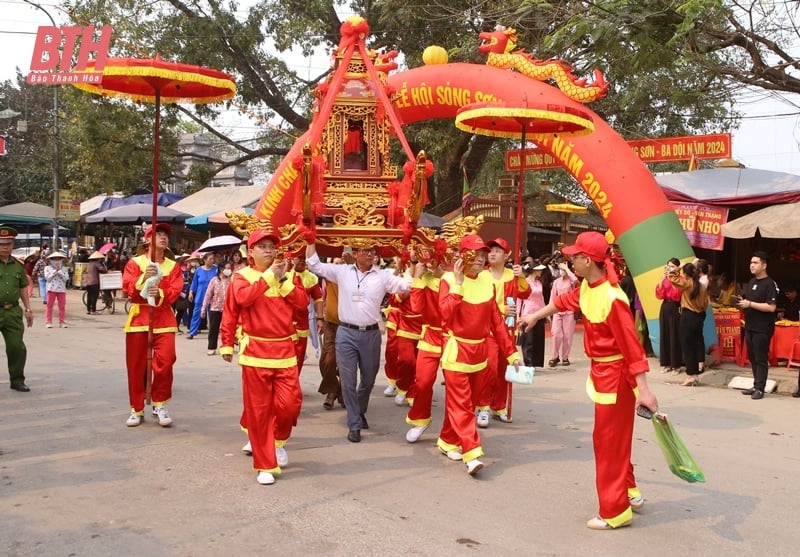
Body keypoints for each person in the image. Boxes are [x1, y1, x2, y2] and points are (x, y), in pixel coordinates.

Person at [517, 231, 658, 530]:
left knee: (608, 443)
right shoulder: (588, 287)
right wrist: (535, 317)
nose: (570, 260)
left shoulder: (613, 297)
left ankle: (614, 511)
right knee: (612, 440)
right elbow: (563, 302)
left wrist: (644, 390)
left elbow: (633, 349)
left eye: (575, 256)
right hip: (602, 374)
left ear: (588, 260)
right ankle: (629, 491)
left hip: (616, 377)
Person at [220, 229, 309, 485]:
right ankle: (265, 464)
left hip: (284, 352)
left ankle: (278, 441)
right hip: (256, 353)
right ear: (251, 253)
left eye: (272, 246)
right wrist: (227, 344)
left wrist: (282, 281)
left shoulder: (287, 276)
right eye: (263, 246)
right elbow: (241, 301)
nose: (269, 250)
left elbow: (302, 303)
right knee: (259, 412)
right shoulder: (242, 277)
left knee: (290, 405)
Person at [306, 240, 412, 443]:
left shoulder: (383, 276)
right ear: (355, 254)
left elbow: (405, 285)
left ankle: (360, 410)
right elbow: (314, 265)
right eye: (365, 251)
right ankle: (354, 423)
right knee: (348, 380)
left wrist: (418, 265)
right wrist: (310, 239)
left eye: (373, 251)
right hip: (346, 333)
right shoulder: (342, 272)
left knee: (369, 379)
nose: (370, 254)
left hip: (370, 335)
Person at [437, 234, 521, 475]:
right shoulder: (449, 279)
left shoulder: (487, 282)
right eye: (476, 254)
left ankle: (447, 440)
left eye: (483, 255)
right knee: (462, 404)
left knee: (467, 403)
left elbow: (497, 322)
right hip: (457, 352)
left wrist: (512, 354)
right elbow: (444, 314)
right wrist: (459, 284)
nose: (481, 258)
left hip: (480, 353)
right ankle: (471, 452)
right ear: (463, 255)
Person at [122, 223, 184, 427]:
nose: (163, 237)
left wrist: (162, 292)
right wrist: (144, 278)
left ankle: (160, 403)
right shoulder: (135, 263)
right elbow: (128, 289)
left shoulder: (173, 266)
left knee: (166, 361)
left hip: (164, 318)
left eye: (165, 234)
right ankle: (136, 408)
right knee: (136, 365)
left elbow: (176, 289)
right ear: (147, 239)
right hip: (140, 318)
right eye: (158, 233)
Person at [478, 237, 530, 426]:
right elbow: (481, 301)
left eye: (497, 251)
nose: (492, 253)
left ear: (507, 255)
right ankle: (482, 407)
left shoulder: (512, 275)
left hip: (507, 330)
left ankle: (498, 407)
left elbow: (525, 293)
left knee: (504, 370)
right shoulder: (482, 275)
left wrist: (522, 275)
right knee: (489, 368)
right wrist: (501, 308)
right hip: (488, 330)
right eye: (490, 250)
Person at [736, 251, 778, 400]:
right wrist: (743, 302)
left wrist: (750, 304)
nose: (752, 265)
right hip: (750, 325)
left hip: (763, 327)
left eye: (755, 263)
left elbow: (771, 307)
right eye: (751, 263)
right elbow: (749, 302)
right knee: (753, 358)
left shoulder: (770, 284)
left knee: (761, 358)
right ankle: (755, 384)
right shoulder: (752, 282)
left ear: (764, 265)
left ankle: (760, 388)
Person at [0, 226, 35, 392]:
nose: (5, 247)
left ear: (13, 244)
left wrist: (28, 309)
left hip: (12, 311)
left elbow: (23, 287)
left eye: (8, 243)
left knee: (16, 347)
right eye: (1, 244)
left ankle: (17, 379)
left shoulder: (18, 265)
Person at [667, 262, 709, 386]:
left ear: (685, 274)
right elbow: (705, 303)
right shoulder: (701, 286)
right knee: (694, 345)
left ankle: (691, 375)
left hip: (688, 316)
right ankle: (694, 374)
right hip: (699, 316)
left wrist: (678, 267)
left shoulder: (687, 283)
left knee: (687, 347)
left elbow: (672, 277)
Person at [548, 260, 578, 367]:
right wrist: (549, 312)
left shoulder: (571, 280)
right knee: (556, 334)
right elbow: (552, 297)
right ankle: (555, 356)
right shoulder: (556, 282)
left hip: (569, 311)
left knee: (567, 336)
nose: (561, 271)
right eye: (560, 269)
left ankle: (565, 357)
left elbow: (576, 279)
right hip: (557, 311)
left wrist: (567, 269)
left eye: (563, 269)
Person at [655, 258, 683, 373]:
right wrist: (661, 281)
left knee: (675, 336)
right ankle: (666, 364)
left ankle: (676, 365)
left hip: (675, 307)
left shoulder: (680, 279)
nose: (669, 268)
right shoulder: (665, 279)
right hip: (665, 307)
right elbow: (659, 294)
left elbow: (677, 295)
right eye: (668, 266)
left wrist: (672, 280)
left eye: (672, 266)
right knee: (665, 335)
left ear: (677, 268)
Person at [517, 263, 547, 368]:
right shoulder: (524, 282)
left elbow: (541, 298)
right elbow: (519, 299)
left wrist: (546, 313)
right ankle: (528, 363)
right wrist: (517, 315)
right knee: (528, 341)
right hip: (527, 313)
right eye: (539, 270)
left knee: (538, 339)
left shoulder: (539, 283)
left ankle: (536, 363)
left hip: (538, 313)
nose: (541, 271)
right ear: (534, 270)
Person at [201, 261, 232, 356]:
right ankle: (211, 347)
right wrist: (204, 308)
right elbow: (208, 295)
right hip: (215, 308)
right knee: (213, 329)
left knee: (227, 329)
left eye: (230, 268)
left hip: (228, 309)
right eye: (227, 268)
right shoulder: (214, 280)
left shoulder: (231, 281)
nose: (229, 270)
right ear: (221, 269)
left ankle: (227, 347)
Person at [187, 252, 217, 339]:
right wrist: (191, 292)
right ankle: (192, 332)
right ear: (204, 260)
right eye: (210, 259)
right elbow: (194, 282)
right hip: (200, 295)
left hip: (213, 296)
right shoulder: (199, 270)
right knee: (196, 314)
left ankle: (213, 333)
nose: (212, 260)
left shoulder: (216, 269)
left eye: (213, 259)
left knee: (212, 315)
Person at [44, 251, 70, 328]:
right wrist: (55, 271)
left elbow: (66, 278)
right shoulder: (47, 268)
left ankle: (62, 322)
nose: (57, 261)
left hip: (61, 290)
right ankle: (48, 321)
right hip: (51, 289)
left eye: (59, 259)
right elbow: (47, 278)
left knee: (62, 306)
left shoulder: (64, 269)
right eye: (54, 259)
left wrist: (60, 271)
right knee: (49, 306)